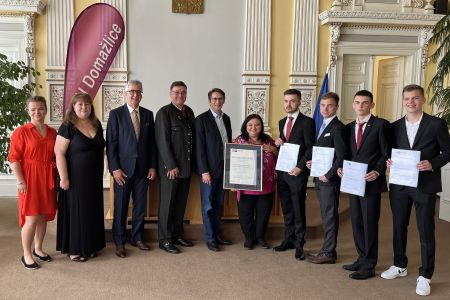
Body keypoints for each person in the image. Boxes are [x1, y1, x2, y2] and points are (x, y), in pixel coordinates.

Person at [380, 84, 450, 296]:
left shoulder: (436, 124)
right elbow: (388, 152)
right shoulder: (394, 126)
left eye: (415, 98)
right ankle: (399, 265)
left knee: (426, 229)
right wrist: (388, 161)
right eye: (407, 99)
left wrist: (432, 163)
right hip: (400, 185)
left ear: (423, 99)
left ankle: (425, 275)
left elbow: (447, 152)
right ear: (402, 101)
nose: (411, 102)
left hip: (424, 184)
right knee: (399, 226)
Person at [337, 90, 390, 280]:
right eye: (357, 102)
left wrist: (377, 171)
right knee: (357, 221)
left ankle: (369, 265)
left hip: (371, 182)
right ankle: (361, 257)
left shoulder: (381, 125)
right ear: (353, 104)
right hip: (353, 182)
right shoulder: (349, 127)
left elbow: (386, 154)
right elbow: (347, 154)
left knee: (369, 224)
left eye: (365, 103)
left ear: (372, 105)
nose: (361, 106)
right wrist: (341, 168)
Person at [106, 80, 157, 258]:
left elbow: (152, 144)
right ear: (125, 93)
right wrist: (115, 168)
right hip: (123, 171)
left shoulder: (149, 115)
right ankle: (120, 242)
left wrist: (152, 165)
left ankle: (137, 237)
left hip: (143, 170)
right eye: (131, 91)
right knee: (120, 207)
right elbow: (111, 144)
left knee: (140, 207)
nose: (135, 95)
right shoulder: (115, 114)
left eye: (138, 92)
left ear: (141, 95)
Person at [54, 93, 106, 261]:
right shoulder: (68, 126)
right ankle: (75, 249)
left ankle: (90, 246)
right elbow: (59, 153)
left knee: (92, 210)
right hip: (75, 178)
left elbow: (100, 149)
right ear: (73, 107)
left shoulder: (96, 123)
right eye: (80, 105)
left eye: (87, 104)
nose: (84, 107)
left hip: (94, 177)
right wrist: (64, 178)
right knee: (78, 213)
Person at [9, 96, 57, 269]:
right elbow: (13, 158)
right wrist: (20, 180)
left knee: (43, 215)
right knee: (31, 217)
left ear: (46, 110)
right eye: (33, 109)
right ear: (28, 111)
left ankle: (38, 248)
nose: (37, 112)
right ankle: (26, 254)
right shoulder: (21, 131)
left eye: (40, 108)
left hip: (47, 177)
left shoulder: (53, 132)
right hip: (29, 178)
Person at [305, 92, 348, 264]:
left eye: (329, 105)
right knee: (325, 215)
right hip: (320, 178)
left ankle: (329, 252)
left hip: (329, 181)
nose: (325, 108)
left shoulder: (338, 128)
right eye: (322, 105)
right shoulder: (322, 125)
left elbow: (342, 156)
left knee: (329, 216)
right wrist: (312, 163)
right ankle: (326, 249)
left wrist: (328, 175)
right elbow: (323, 153)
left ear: (336, 107)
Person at [274, 89, 315, 260]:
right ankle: (288, 239)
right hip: (283, 172)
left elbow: (310, 147)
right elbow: (285, 145)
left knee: (298, 208)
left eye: (292, 101)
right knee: (287, 208)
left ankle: (299, 244)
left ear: (299, 102)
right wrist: (277, 143)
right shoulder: (282, 121)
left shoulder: (307, 122)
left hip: (297, 173)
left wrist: (300, 167)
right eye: (285, 101)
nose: (288, 104)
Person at [155, 81, 196, 254]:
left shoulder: (189, 112)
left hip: (185, 168)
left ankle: (177, 234)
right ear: (170, 94)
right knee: (167, 205)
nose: (180, 95)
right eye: (177, 92)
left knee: (180, 204)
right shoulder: (164, 112)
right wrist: (170, 165)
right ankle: (164, 240)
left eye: (183, 92)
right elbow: (162, 141)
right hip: (170, 169)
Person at [195, 88, 233, 252]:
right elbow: (199, 148)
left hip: (224, 169)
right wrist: (204, 171)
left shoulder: (227, 119)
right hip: (208, 172)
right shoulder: (201, 119)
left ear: (223, 100)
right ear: (209, 101)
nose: (217, 101)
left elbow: (228, 143)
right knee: (208, 206)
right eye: (214, 99)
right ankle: (210, 238)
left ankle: (217, 234)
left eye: (220, 99)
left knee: (218, 204)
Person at [234, 114, 277, 249]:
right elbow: (233, 162)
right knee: (245, 215)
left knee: (263, 214)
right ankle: (249, 237)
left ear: (261, 127)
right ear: (245, 127)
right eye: (250, 125)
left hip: (267, 186)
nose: (254, 128)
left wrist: (274, 149)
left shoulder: (269, 140)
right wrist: (233, 181)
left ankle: (261, 237)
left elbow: (281, 158)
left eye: (257, 125)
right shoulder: (239, 141)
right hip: (246, 186)